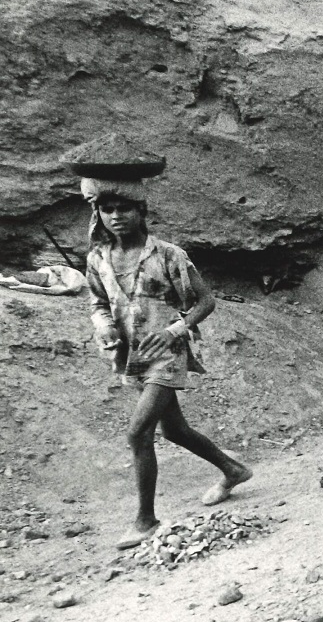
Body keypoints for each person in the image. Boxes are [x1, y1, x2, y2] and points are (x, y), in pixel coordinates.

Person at [82, 175, 252, 549]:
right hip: (133, 356)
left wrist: (176, 330)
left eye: (124, 208)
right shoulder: (97, 258)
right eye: (107, 210)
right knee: (173, 430)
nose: (116, 216)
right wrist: (104, 326)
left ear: (141, 211)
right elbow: (97, 301)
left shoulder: (167, 255)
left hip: (167, 353)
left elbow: (205, 302)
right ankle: (233, 470)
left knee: (138, 432)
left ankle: (145, 520)